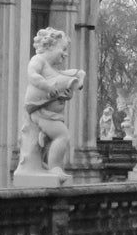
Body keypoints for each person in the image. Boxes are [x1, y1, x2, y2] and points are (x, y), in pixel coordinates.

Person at [16, 27, 85, 176]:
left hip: (48, 113)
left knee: (53, 139)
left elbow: (58, 92)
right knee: (62, 136)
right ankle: (55, 167)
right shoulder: (38, 60)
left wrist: (66, 94)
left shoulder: (53, 70)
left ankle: (47, 164)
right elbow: (32, 76)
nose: (66, 54)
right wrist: (48, 87)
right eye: (64, 49)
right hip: (41, 112)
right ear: (50, 46)